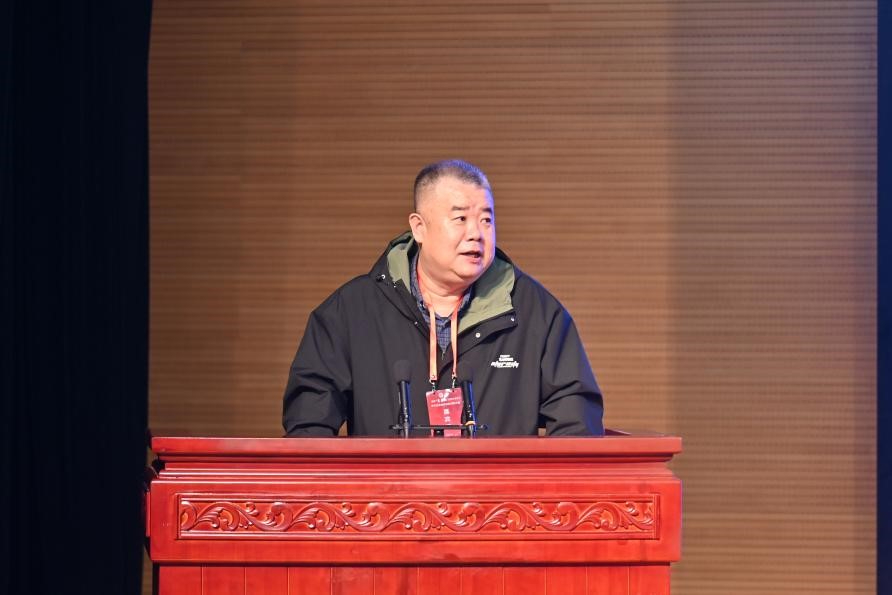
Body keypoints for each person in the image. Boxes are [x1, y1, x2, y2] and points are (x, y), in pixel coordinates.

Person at [283, 159, 604, 436]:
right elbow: (309, 422)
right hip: (389, 491)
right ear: (419, 228)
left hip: (500, 492)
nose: (476, 233)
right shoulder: (352, 311)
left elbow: (577, 424)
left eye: (486, 219)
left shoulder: (536, 313)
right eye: (461, 218)